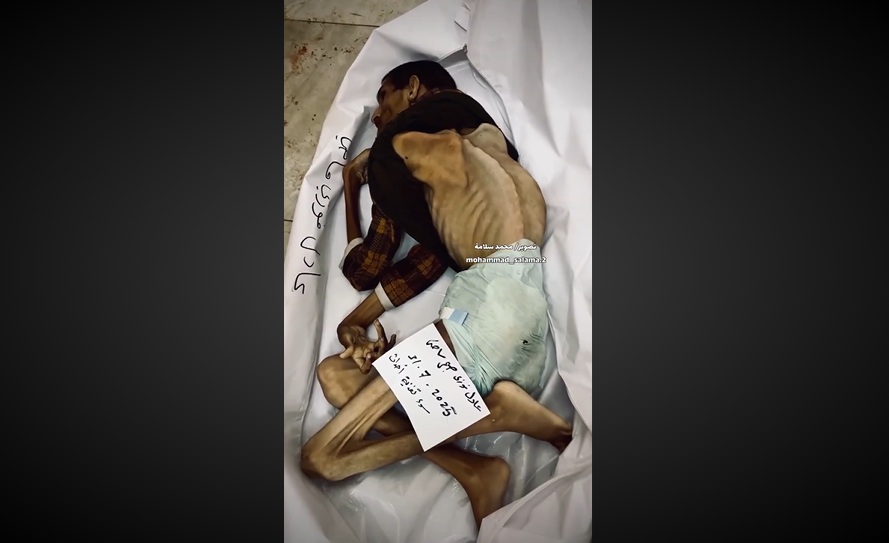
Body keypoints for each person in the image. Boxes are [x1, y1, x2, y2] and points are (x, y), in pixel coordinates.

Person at [303, 60, 573, 526]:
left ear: (412, 89)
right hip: (520, 323)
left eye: (383, 98)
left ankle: (499, 415)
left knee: (319, 459)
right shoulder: (491, 148)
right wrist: (356, 329)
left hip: (482, 319)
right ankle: (475, 470)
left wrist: (353, 182)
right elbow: (415, 269)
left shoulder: (407, 148)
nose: (375, 115)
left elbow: (363, 268)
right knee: (335, 376)